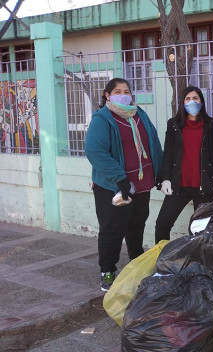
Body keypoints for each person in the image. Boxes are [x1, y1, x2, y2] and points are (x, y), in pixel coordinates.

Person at [85, 78, 163, 292]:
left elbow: (154, 144)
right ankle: (107, 272)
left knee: (137, 226)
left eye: (126, 91)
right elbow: (95, 151)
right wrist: (120, 179)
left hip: (141, 184)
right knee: (112, 229)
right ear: (108, 95)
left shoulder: (139, 115)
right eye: (117, 91)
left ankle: (136, 264)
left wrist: (161, 172)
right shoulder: (102, 118)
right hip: (113, 186)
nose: (123, 94)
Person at [154, 85, 213, 244]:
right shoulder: (173, 125)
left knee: (199, 230)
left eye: (195, 98)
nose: (191, 102)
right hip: (178, 186)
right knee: (162, 224)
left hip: (204, 187)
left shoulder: (211, 125)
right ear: (182, 102)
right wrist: (165, 179)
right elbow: (168, 154)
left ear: (201, 101)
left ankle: (197, 264)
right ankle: (161, 260)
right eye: (187, 98)